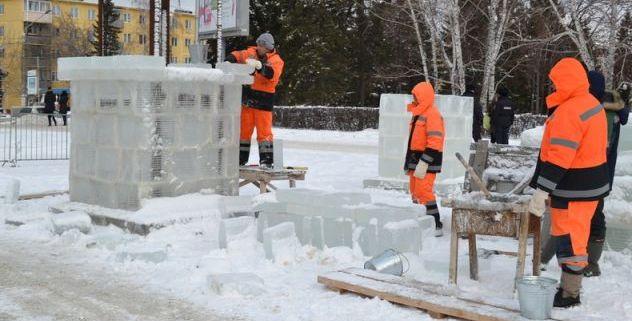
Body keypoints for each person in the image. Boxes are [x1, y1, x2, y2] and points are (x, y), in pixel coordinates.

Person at [529, 58, 610, 308]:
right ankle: (567, 287)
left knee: (571, 238)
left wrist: (542, 190)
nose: (553, 88)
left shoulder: (570, 110)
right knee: (575, 234)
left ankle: (570, 294)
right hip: (587, 186)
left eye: (556, 83)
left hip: (573, 187)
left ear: (567, 81)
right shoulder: (590, 103)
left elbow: (560, 157)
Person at [226, 32, 285, 168]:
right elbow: (237, 55)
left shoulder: (276, 60)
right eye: (258, 44)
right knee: (243, 132)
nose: (258, 47)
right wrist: (228, 61)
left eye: (261, 45)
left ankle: (266, 161)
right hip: (248, 100)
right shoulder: (250, 52)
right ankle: (240, 160)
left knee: (264, 133)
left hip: (264, 101)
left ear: (268, 47)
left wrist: (260, 67)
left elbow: (272, 76)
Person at [404, 81, 445, 237]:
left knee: (423, 192)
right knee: (415, 192)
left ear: (424, 96)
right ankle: (421, 222)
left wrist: (425, 161)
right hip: (415, 159)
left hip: (427, 160)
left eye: (416, 96)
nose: (413, 99)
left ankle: (435, 223)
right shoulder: (418, 113)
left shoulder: (432, 114)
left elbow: (435, 141)